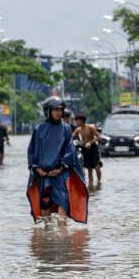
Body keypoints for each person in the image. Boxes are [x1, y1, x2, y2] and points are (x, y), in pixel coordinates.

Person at [26, 96, 88, 225]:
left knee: (63, 201)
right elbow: (31, 151)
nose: (58, 112)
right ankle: (47, 234)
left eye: (60, 110)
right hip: (43, 174)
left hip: (60, 173)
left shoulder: (66, 129)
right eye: (55, 110)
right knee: (45, 203)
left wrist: (61, 168)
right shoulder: (39, 129)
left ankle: (62, 234)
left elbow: (70, 150)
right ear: (48, 111)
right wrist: (37, 168)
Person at [73, 114, 103, 186]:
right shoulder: (78, 129)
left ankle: (99, 182)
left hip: (93, 148)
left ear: (81, 121)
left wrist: (90, 142)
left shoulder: (90, 128)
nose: (76, 122)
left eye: (77, 120)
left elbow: (98, 137)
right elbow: (72, 137)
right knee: (89, 169)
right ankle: (91, 184)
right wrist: (77, 142)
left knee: (97, 167)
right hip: (85, 149)